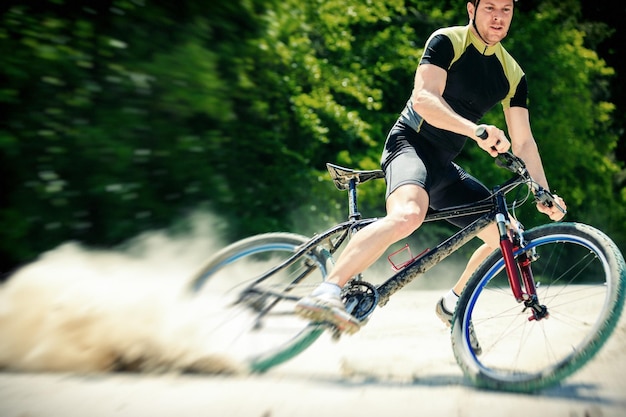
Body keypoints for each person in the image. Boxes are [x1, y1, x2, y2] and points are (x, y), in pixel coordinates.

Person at [294, 0, 567, 351]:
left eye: (506, 10)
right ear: (472, 9)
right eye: (489, 8)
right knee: (408, 216)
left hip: (444, 165)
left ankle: (453, 303)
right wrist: (475, 130)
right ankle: (327, 290)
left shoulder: (512, 74)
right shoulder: (447, 41)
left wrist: (543, 192)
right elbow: (423, 99)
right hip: (409, 144)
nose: (498, 17)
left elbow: (525, 141)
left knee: (508, 235)